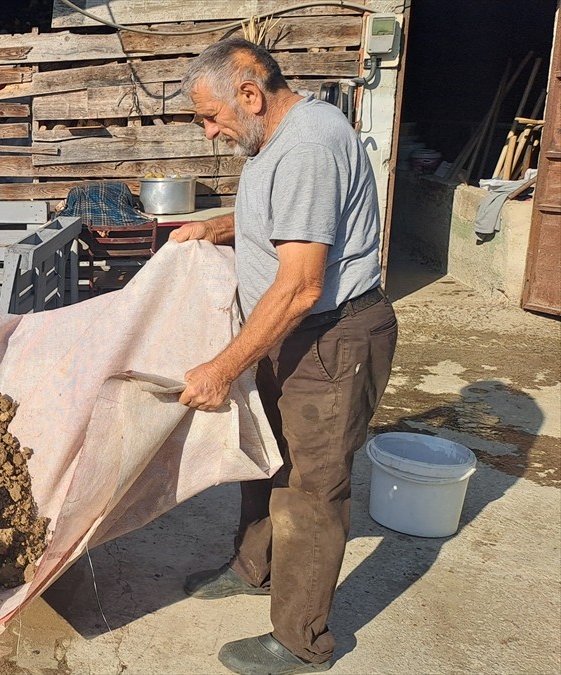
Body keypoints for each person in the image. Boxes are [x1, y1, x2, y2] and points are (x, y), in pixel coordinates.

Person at [170, 38, 398, 674]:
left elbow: (301, 284)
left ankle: (301, 642)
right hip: (290, 330)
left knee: (309, 487)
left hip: (328, 338)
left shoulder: (306, 146)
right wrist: (212, 228)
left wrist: (223, 367)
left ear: (250, 94)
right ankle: (253, 569)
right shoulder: (276, 138)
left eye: (211, 118)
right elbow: (283, 221)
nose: (211, 133)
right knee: (264, 455)